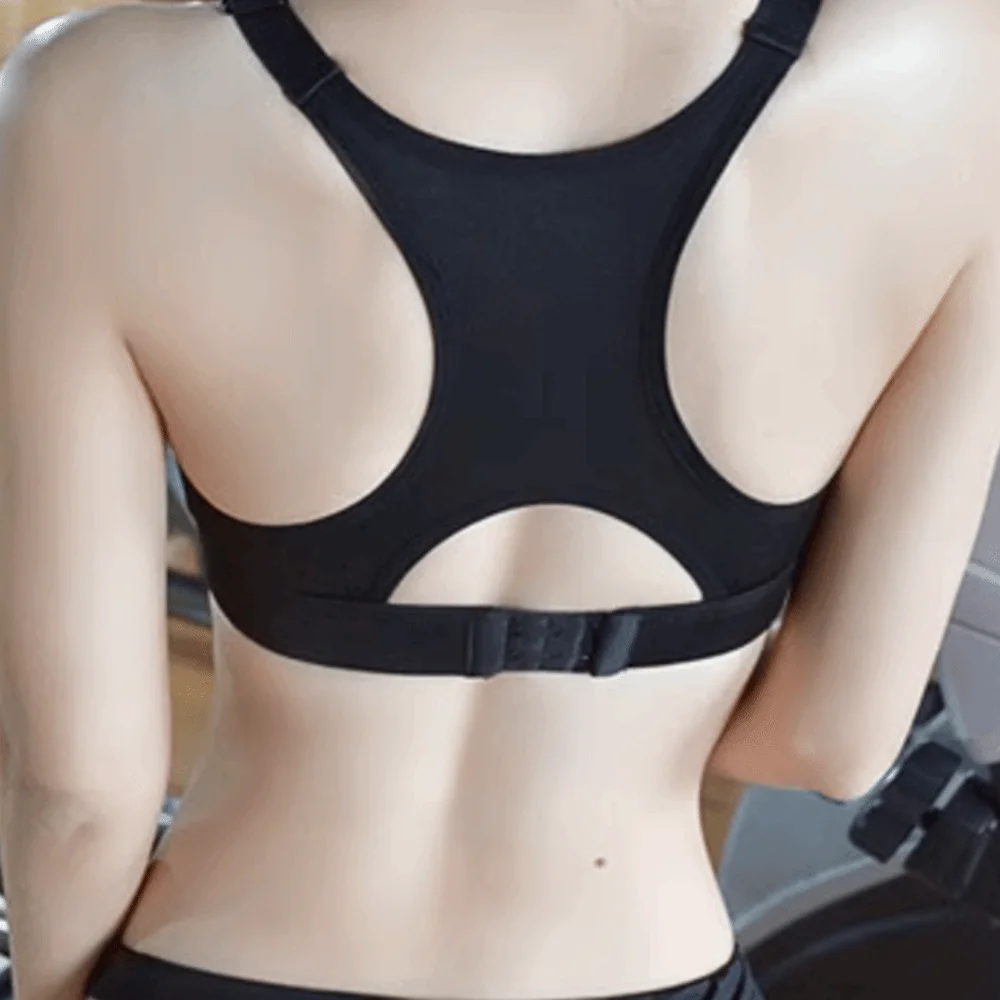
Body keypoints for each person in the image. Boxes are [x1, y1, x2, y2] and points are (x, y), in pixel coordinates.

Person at [0, 0, 998, 997]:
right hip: (637, 958)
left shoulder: (95, 99)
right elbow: (834, 740)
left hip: (225, 951)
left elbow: (80, 795)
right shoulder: (957, 80)